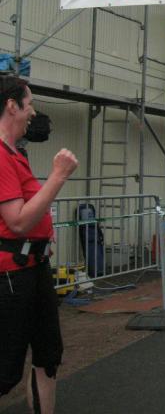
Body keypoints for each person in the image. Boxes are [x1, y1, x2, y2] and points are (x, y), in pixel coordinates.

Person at [0, 76, 78, 414]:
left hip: (35, 266)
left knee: (48, 354)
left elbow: (28, 212)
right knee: (6, 369)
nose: (33, 112)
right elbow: (17, 221)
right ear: (12, 106)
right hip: (11, 276)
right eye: (29, 103)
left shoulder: (15, 153)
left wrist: (43, 232)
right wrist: (58, 175)